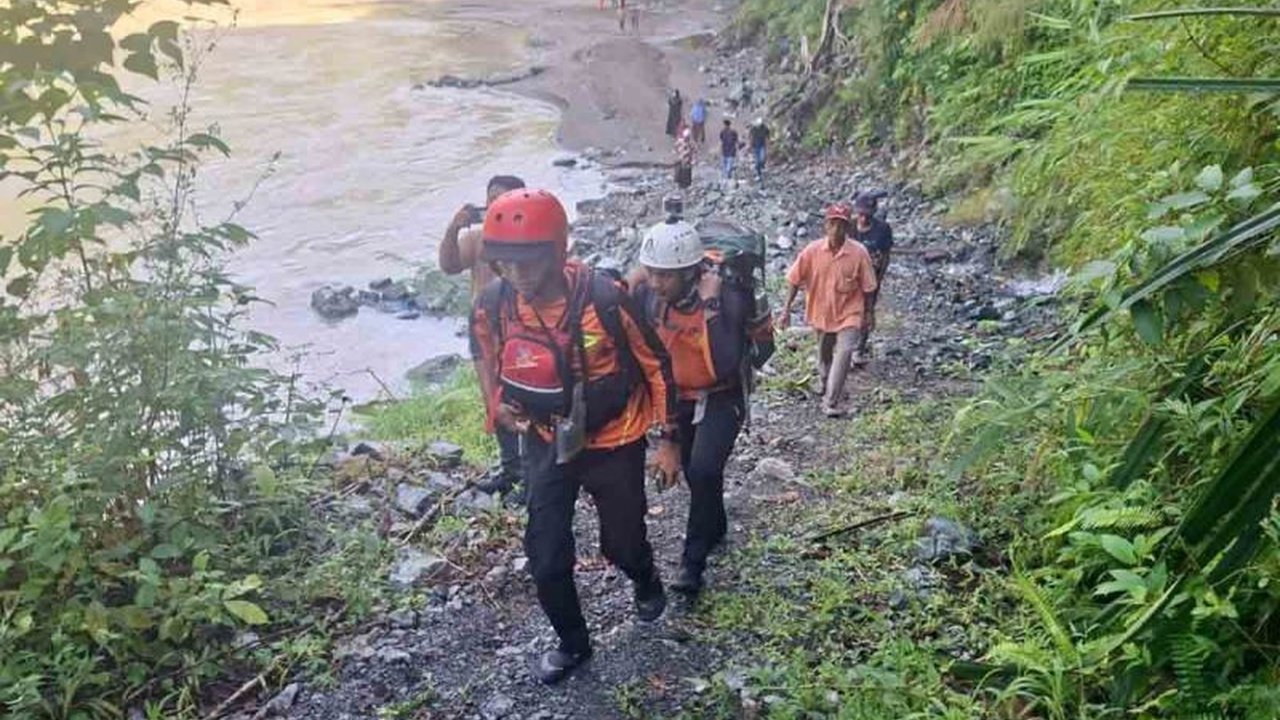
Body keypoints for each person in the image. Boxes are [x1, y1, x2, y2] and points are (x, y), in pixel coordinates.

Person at [470, 188, 681, 684]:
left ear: (558, 250)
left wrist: (669, 439)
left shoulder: (605, 299)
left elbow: (656, 364)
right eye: (508, 264)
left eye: (531, 262)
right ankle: (573, 643)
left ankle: (645, 577)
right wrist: (496, 407)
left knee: (621, 543)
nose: (520, 275)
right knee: (544, 556)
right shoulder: (497, 302)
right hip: (545, 439)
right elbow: (481, 346)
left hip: (613, 438)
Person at [630, 219, 757, 597]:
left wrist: (713, 305)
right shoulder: (650, 296)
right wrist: (665, 433)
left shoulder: (728, 297)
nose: (656, 283)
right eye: (651, 273)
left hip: (722, 392)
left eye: (664, 276)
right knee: (696, 472)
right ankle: (714, 525)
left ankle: (693, 562)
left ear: (688, 272)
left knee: (702, 469)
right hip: (676, 392)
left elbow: (725, 360)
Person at [438, 175, 528, 500]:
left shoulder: (529, 239)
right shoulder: (479, 239)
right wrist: (453, 228)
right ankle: (511, 468)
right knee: (493, 397)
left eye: (502, 201)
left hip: (520, 325)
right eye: (491, 201)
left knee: (523, 396)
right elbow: (448, 265)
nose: (495, 208)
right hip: (483, 324)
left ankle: (531, 475)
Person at [779, 203, 878, 417]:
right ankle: (825, 382)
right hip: (821, 313)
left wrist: (869, 313)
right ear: (826, 226)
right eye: (833, 224)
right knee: (824, 355)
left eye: (842, 225)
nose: (837, 230)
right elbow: (794, 280)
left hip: (850, 313)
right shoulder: (812, 251)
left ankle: (831, 402)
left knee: (844, 353)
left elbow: (869, 287)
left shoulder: (859, 253)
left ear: (848, 228)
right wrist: (785, 310)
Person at [850, 191, 893, 364]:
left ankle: (859, 348)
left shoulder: (882, 229)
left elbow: (885, 254)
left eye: (867, 215)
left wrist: (880, 277)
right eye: (860, 214)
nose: (863, 219)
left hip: (871, 276)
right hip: (850, 277)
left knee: (867, 310)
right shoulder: (849, 227)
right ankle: (845, 344)